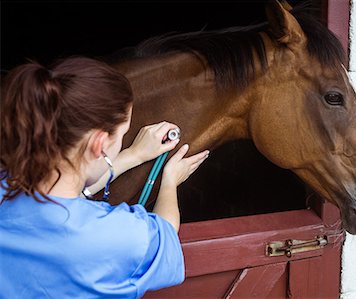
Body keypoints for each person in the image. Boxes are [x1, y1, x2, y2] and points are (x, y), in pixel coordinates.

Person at [0, 56, 209, 298]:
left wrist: (133, 155)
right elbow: (165, 232)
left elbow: (64, 194)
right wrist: (170, 181)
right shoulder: (118, 236)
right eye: (122, 135)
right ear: (99, 143)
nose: (121, 143)